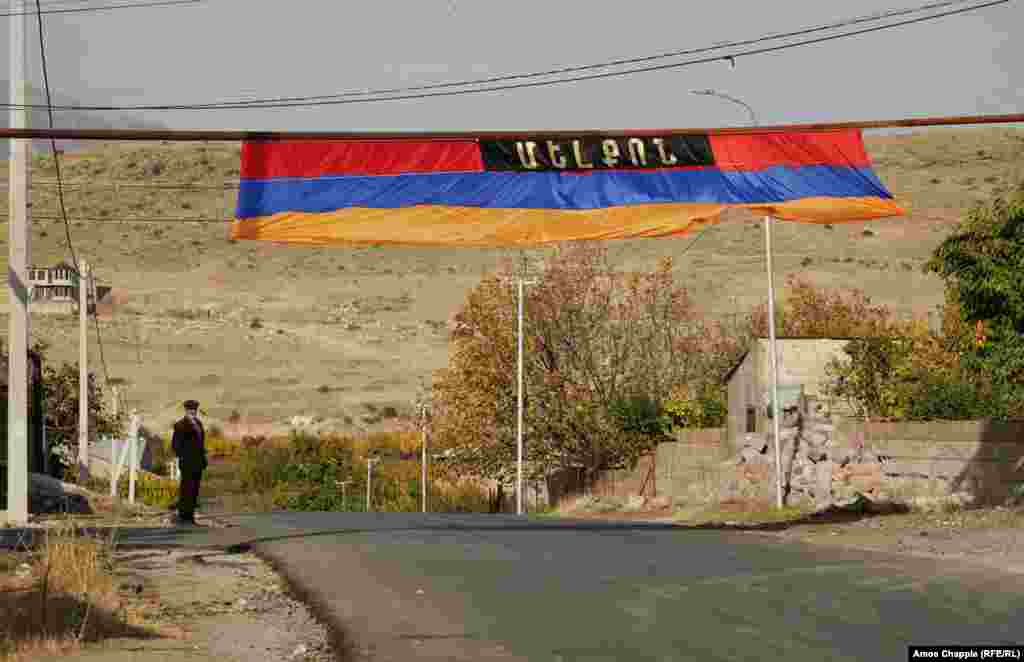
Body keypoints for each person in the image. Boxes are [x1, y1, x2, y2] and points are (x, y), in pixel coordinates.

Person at [171, 399, 207, 525]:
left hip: (198, 463)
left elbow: (201, 443)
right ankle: (183, 516)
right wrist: (184, 456)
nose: (193, 412)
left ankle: (190, 517)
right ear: (186, 410)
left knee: (194, 490)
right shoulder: (180, 425)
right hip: (187, 463)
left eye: (194, 410)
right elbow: (175, 445)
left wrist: (203, 458)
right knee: (186, 489)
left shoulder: (199, 423)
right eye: (190, 410)